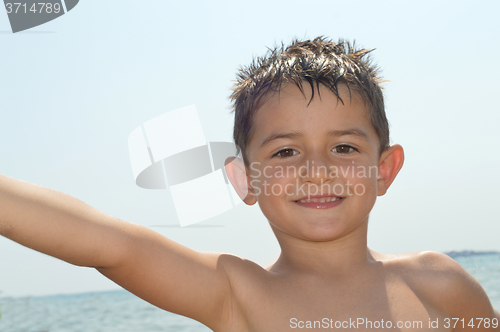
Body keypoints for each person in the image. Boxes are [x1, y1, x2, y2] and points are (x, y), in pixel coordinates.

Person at [0, 36, 498, 331]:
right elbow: (108, 244)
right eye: (285, 151)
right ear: (245, 180)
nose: (316, 169)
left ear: (384, 169)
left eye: (343, 147)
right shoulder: (238, 293)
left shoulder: (441, 283)